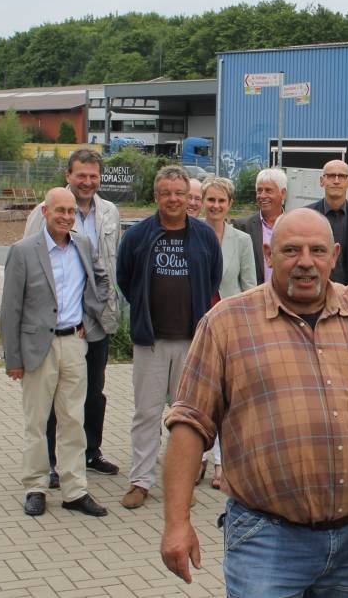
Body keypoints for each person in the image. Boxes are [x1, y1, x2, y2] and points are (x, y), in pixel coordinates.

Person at [159, 208, 348, 595]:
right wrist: (177, 522)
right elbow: (190, 423)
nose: (305, 262)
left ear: (335, 255)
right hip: (266, 539)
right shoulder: (226, 324)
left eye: (317, 251)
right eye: (291, 250)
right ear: (269, 254)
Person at [115, 165, 223, 509]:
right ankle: (140, 481)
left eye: (179, 193)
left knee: (186, 418)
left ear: (188, 197)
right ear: (156, 196)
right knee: (146, 413)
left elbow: (214, 278)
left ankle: (181, 484)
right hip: (151, 342)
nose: (173, 199)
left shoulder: (204, 236)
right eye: (166, 193)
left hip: (192, 341)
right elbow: (125, 279)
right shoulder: (137, 236)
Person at [1, 188, 110, 518]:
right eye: (59, 210)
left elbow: (101, 280)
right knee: (36, 421)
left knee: (73, 419)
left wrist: (89, 318)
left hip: (74, 343)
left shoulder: (83, 245)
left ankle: (75, 489)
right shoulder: (23, 251)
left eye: (71, 211)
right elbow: (10, 309)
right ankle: (36, 486)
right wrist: (13, 358)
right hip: (38, 348)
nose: (65, 216)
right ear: (44, 211)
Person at [23, 148, 122, 486]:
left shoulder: (109, 212)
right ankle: (51, 461)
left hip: (95, 318)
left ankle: (90, 451)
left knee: (94, 390)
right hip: (59, 319)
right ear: (68, 175)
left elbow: (112, 264)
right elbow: (29, 262)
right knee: (55, 395)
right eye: (81, 175)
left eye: (93, 176)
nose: (87, 182)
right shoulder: (46, 210)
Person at [200, 175, 257, 488]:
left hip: (231, 325)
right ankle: (199, 458)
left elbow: (249, 285)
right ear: (203, 202)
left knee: (227, 397)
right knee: (198, 397)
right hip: (197, 323)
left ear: (229, 204)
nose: (216, 206)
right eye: (211, 200)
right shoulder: (190, 233)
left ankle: (223, 462)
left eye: (222, 201)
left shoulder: (242, 240)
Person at [308, 159, 348, 284]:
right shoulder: (308, 214)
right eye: (331, 176)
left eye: (342, 176)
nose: (336, 181)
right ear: (322, 181)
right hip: (315, 288)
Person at [234, 167, 287, 284]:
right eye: (259, 190)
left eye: (268, 190)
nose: (262, 196)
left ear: (282, 194)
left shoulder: (295, 225)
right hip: (256, 297)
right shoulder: (242, 227)